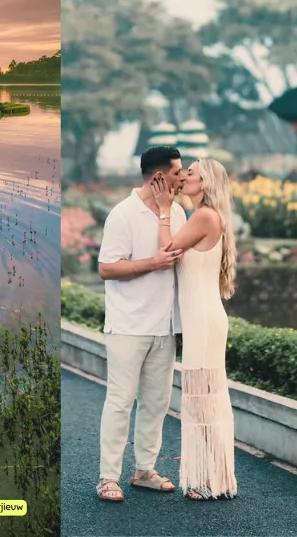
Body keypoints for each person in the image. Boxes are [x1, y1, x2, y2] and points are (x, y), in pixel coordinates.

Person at [95, 146, 186, 502]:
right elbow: (107, 268)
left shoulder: (176, 213)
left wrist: (181, 326)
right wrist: (153, 262)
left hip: (165, 326)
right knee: (120, 401)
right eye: (178, 173)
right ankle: (107, 478)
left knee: (157, 402)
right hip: (129, 325)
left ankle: (144, 470)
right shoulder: (123, 214)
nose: (182, 179)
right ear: (158, 177)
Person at [161, 158, 238, 500]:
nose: (183, 177)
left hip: (204, 320)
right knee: (204, 400)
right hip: (202, 319)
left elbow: (167, 250)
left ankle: (215, 479)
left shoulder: (205, 216)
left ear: (204, 182)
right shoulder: (204, 216)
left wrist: (165, 209)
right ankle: (219, 477)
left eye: (190, 173)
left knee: (201, 401)